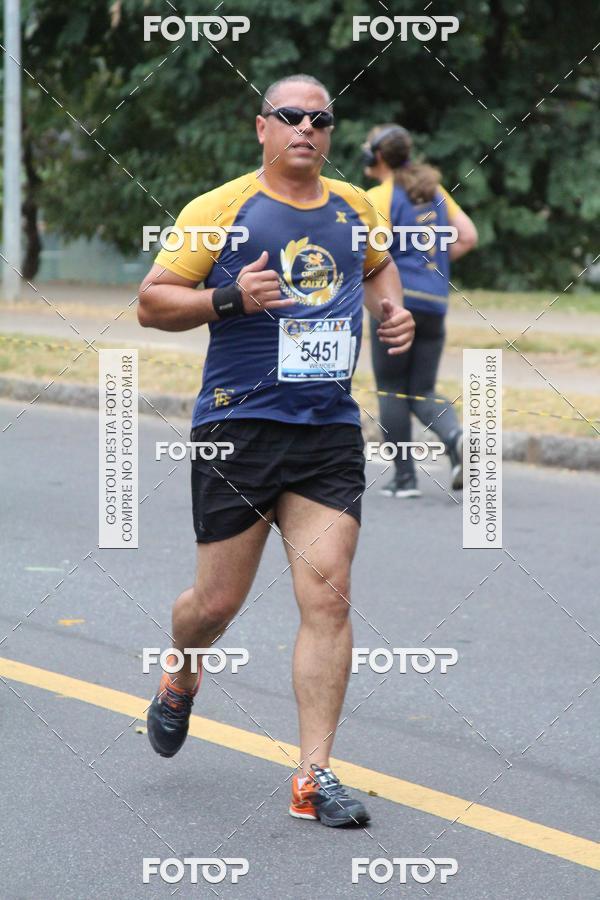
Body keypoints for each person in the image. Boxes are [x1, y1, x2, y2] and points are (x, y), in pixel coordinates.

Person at [137, 75, 414, 827]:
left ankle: (313, 776)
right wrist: (230, 298)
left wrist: (392, 311)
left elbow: (378, 266)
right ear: (262, 127)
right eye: (291, 116)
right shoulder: (218, 210)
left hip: (327, 429)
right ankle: (183, 668)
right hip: (239, 427)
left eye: (320, 119)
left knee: (328, 592)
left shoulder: (355, 207)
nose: (306, 129)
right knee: (214, 605)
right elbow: (152, 302)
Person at [363, 124, 478, 497]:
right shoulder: (434, 191)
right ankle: (456, 438)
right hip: (434, 302)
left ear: (376, 156)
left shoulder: (379, 197)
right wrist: (433, 264)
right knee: (422, 389)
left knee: (392, 389)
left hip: (395, 302)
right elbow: (468, 236)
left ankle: (405, 480)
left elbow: (372, 253)